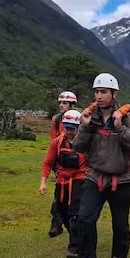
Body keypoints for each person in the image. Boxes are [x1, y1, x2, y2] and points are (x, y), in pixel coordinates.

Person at [70, 73, 130, 258]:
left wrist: (119, 128)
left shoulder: (127, 118)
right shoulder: (90, 119)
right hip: (95, 176)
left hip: (122, 180)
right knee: (84, 218)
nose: (99, 96)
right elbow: (78, 147)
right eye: (96, 92)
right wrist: (83, 127)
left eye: (104, 92)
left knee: (120, 223)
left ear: (114, 94)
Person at [40, 109, 87, 258]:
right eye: (66, 128)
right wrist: (43, 182)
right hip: (62, 181)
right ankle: (76, 237)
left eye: (72, 128)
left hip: (79, 180)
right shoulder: (57, 143)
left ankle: (74, 246)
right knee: (62, 211)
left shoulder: (86, 143)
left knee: (74, 213)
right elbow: (48, 162)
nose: (69, 131)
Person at [48, 90, 78, 237]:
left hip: (78, 162)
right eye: (60, 102)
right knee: (59, 194)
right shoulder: (56, 119)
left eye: (65, 103)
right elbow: (53, 139)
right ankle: (57, 222)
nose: (61, 105)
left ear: (72, 105)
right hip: (62, 159)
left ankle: (68, 223)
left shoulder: (80, 118)